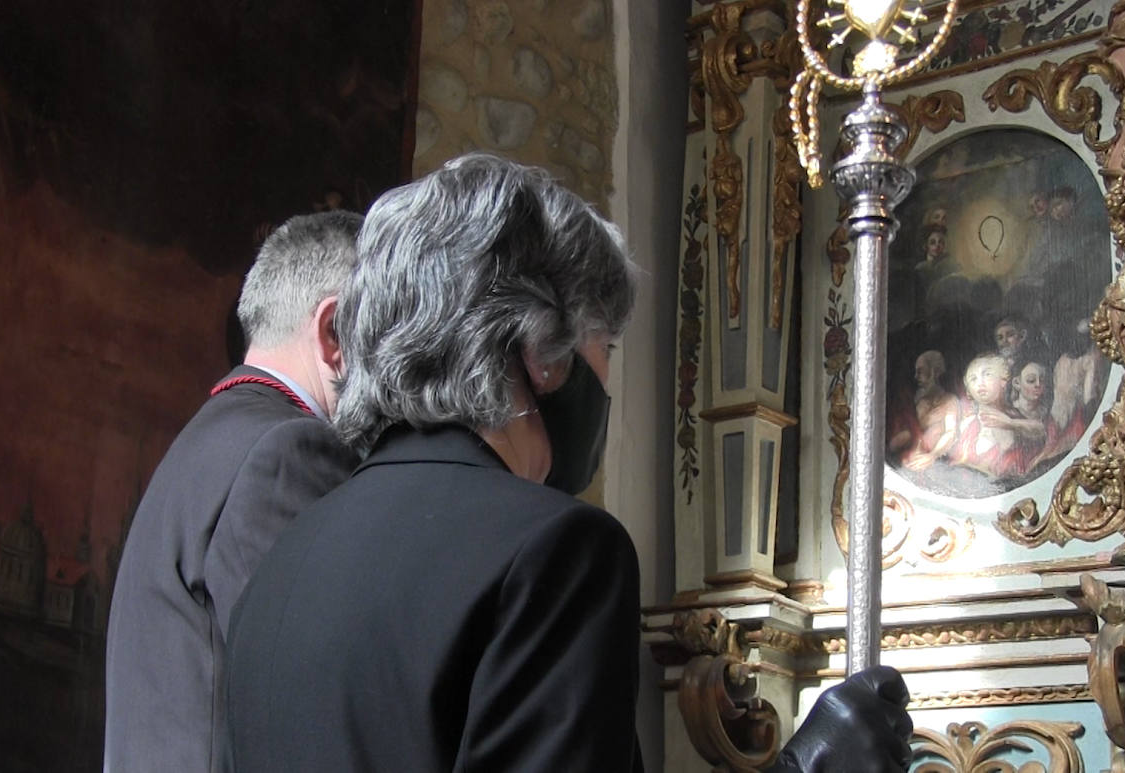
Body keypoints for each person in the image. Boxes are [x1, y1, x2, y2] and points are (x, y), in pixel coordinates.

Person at [226, 154, 914, 772]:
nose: (606, 379)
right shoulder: (554, 553)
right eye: (603, 346)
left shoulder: (286, 560)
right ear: (541, 354)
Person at [104, 212, 363, 773]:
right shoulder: (287, 451)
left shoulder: (214, 437)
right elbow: (313, 706)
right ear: (334, 333)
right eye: (390, 341)